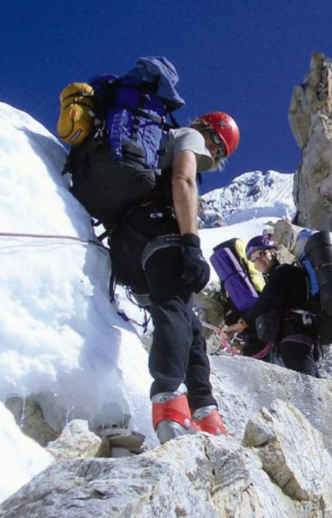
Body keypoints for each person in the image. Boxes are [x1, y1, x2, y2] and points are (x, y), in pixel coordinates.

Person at [108, 111, 240, 443]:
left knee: (191, 328)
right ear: (209, 132)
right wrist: (192, 243)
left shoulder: (159, 144)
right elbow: (183, 180)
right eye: (218, 149)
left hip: (129, 243)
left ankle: (204, 409)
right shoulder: (189, 136)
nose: (214, 156)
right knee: (174, 309)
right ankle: (167, 400)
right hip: (158, 230)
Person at [223, 235, 321, 377]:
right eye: (254, 259)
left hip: (294, 334)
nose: (258, 261)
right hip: (300, 333)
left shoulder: (283, 272)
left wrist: (241, 324)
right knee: (308, 378)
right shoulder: (282, 274)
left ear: (273, 252)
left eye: (262, 254)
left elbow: (265, 301)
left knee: (306, 380)